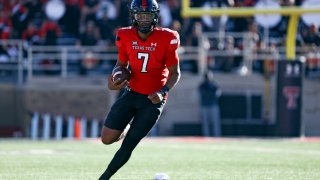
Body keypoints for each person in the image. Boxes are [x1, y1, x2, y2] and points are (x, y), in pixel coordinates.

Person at [99, 0, 181, 179]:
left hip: (153, 100)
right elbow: (121, 64)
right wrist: (115, 77)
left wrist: (163, 91)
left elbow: (175, 73)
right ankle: (126, 127)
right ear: (133, 15)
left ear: (155, 15)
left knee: (129, 144)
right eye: (140, 15)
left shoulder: (168, 37)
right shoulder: (124, 35)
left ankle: (104, 177)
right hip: (132, 92)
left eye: (148, 15)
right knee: (106, 139)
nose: (144, 19)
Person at [198, 71, 221, 137]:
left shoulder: (214, 85)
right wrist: (210, 93)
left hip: (213, 105)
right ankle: (206, 137)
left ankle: (217, 137)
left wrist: (209, 93)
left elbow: (217, 94)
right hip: (205, 106)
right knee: (205, 123)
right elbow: (203, 94)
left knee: (215, 122)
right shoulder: (202, 86)